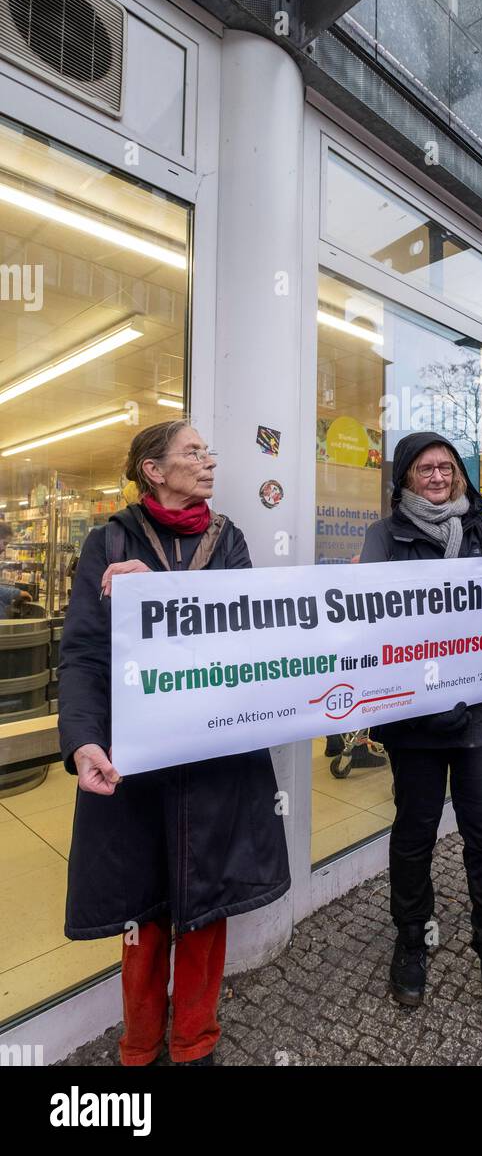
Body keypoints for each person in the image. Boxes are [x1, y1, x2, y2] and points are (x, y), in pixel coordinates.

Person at [58, 420, 291, 1066]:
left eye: (209, 451)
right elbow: (80, 655)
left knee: (206, 907)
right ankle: (138, 1048)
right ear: (154, 471)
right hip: (135, 764)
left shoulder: (231, 539)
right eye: (194, 452)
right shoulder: (106, 542)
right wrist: (81, 742)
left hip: (215, 758)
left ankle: (194, 1043)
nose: (210, 460)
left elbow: (243, 625)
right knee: (145, 912)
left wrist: (158, 594)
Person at [360, 431, 482, 1047]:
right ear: (405, 479)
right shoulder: (383, 538)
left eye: (447, 467)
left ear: (461, 477)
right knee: (414, 833)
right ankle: (411, 939)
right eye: (425, 469)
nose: (439, 477)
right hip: (416, 720)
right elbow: (373, 623)